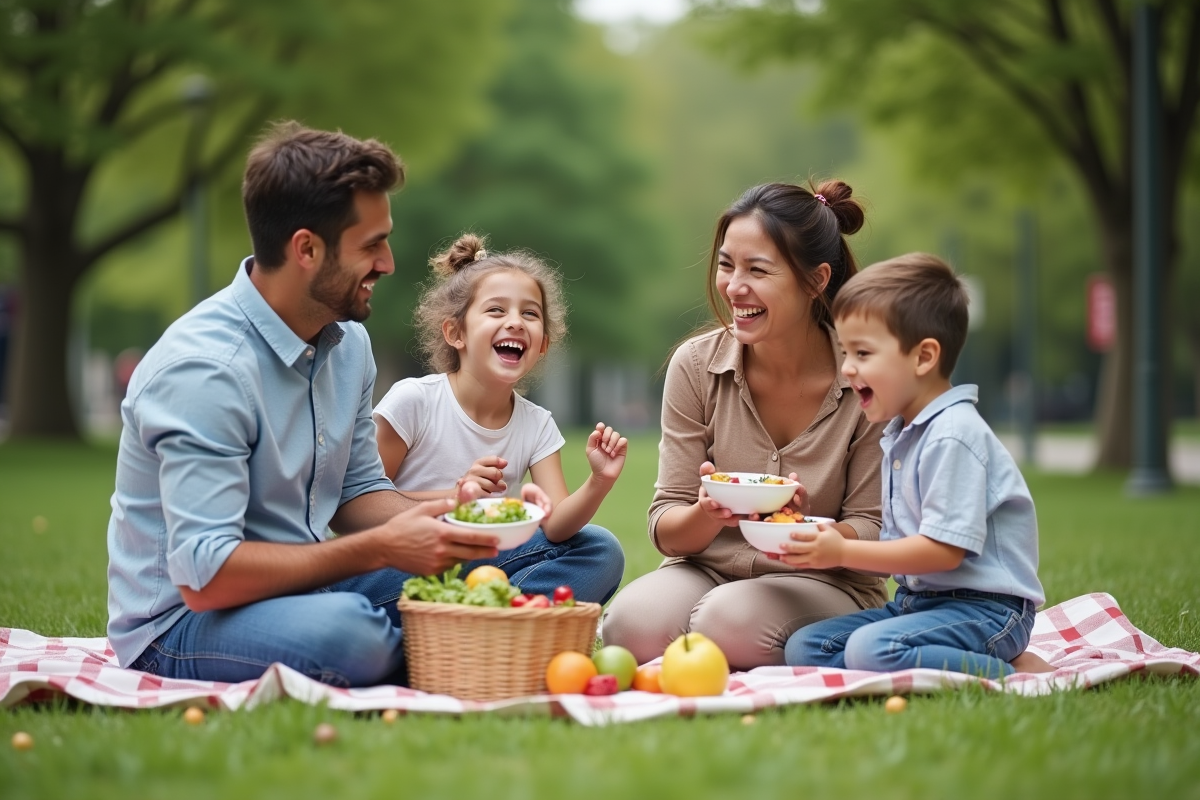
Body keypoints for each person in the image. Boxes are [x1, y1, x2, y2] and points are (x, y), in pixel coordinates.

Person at [105, 122, 615, 689]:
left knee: (588, 550)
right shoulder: (205, 370)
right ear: (306, 249)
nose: (390, 262)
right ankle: (468, 643)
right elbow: (207, 577)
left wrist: (457, 519)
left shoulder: (347, 345)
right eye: (371, 244)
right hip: (185, 624)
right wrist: (378, 550)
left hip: (313, 586)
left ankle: (454, 638)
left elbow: (358, 496)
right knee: (352, 635)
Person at [601, 181, 889, 670]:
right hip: (707, 570)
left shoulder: (868, 376)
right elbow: (667, 525)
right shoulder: (695, 366)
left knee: (724, 624)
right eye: (726, 264)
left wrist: (808, 535)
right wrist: (710, 512)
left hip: (828, 582)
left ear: (816, 279)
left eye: (758, 270)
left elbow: (874, 527)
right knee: (627, 625)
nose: (734, 287)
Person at [783, 254, 1046, 678]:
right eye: (845, 352)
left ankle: (1010, 669)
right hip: (919, 604)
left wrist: (845, 551)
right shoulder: (904, 432)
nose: (848, 368)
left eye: (863, 353)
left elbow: (943, 551)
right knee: (805, 647)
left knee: (872, 650)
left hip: (989, 612)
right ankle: (925, 654)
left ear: (923, 358)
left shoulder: (953, 435)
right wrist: (829, 538)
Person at [373, 233, 626, 602]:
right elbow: (363, 506)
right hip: (400, 567)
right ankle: (485, 619)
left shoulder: (537, 424)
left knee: (600, 549)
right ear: (455, 332)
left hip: (479, 569)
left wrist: (598, 481)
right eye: (496, 310)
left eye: (530, 313)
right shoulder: (415, 401)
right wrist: (456, 500)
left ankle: (490, 620)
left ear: (542, 345)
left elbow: (555, 526)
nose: (516, 322)